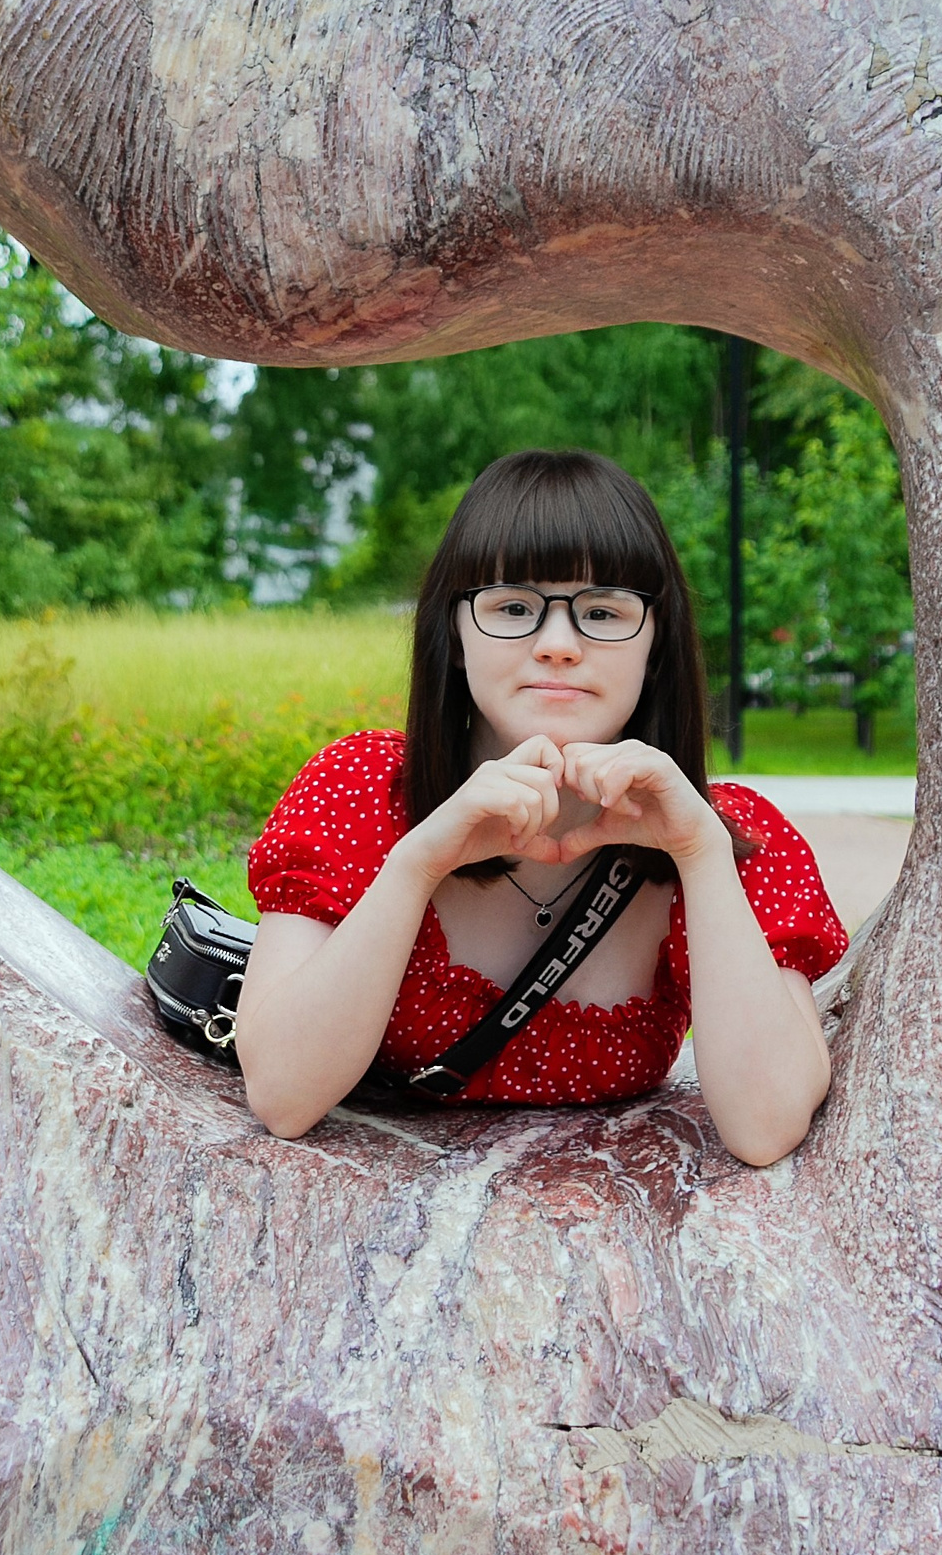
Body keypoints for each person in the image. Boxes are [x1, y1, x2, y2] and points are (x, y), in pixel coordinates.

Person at [238, 448, 846, 1162]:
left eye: (602, 611)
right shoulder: (362, 790)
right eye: (515, 607)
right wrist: (419, 861)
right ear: (455, 637)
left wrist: (699, 852)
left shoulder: (736, 837)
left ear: (656, 644)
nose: (558, 645)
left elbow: (768, 1125)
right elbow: (280, 1093)